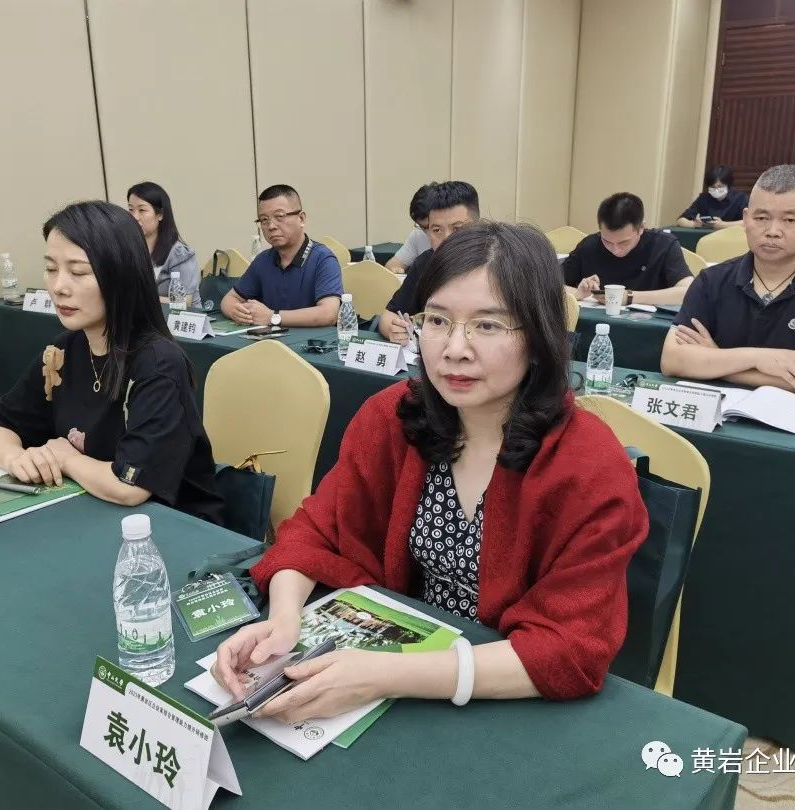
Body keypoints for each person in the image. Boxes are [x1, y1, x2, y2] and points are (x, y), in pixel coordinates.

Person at [210, 222, 649, 723]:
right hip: (399, 660)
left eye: (488, 325)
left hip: (502, 691)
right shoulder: (394, 416)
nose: (454, 348)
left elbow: (572, 647)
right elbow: (317, 528)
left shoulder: (588, 462)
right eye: (437, 320)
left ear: (538, 335)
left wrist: (384, 674)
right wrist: (284, 620)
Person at [0, 201, 225, 524]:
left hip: (175, 525)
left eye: (78, 272)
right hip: (98, 511)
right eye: (51, 269)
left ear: (122, 275)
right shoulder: (63, 350)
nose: (58, 287)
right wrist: (17, 459)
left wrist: (66, 459)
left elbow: (130, 486)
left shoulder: (158, 363)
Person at [661, 165, 795, 397]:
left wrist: (714, 360)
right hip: (715, 408)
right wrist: (759, 358)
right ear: (745, 219)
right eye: (761, 218)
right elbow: (672, 361)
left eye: (790, 220)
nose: (772, 231)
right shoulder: (712, 279)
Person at [221, 185, 343, 327]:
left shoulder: (323, 259)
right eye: (264, 220)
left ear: (301, 218)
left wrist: (272, 317)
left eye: (279, 216)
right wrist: (238, 312)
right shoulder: (263, 260)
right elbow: (229, 300)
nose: (271, 226)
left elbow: (328, 314)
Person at [378, 181, 481, 344]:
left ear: (478, 226)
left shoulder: (500, 263)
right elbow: (389, 315)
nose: (447, 239)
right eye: (437, 230)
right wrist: (394, 329)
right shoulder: (425, 264)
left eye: (458, 229)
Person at [563, 193, 693, 306]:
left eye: (623, 242)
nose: (615, 250)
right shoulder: (589, 246)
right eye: (607, 241)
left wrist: (629, 297)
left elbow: (688, 291)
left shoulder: (663, 245)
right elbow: (551, 285)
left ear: (641, 227)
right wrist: (578, 294)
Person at [126, 181, 201, 308]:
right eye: (131, 210)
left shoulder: (180, 254)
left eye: (142, 210)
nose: (134, 217)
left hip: (180, 317)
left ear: (160, 214)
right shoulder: (129, 250)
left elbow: (184, 302)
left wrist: (142, 297)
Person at [676, 165, 749, 229]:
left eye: (720, 186)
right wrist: (694, 224)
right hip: (707, 237)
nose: (716, 190)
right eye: (713, 187)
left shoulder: (741, 198)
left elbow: (749, 222)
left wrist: (723, 225)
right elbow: (681, 220)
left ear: (728, 185)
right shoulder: (703, 198)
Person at [385, 183, 436, 275]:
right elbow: (391, 266)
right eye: (423, 227)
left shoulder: (458, 236)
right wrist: (395, 270)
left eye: (435, 228)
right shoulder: (418, 234)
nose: (429, 233)